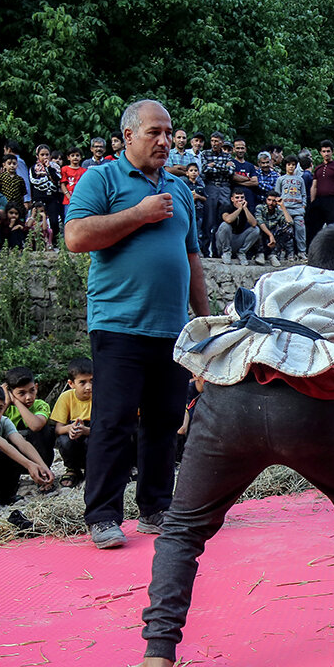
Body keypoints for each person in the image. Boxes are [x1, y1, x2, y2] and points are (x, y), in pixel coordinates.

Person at [125, 222, 334, 667]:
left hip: (226, 409)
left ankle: (155, 659)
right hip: (307, 413)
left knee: (183, 527)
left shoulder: (270, 284)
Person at [65, 100, 211, 546]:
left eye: (169, 132)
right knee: (114, 421)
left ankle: (156, 507)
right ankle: (104, 516)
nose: (165, 141)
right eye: (154, 132)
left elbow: (191, 256)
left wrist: (205, 321)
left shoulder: (180, 188)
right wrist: (139, 214)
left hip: (171, 327)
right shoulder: (102, 178)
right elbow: (75, 237)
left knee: (165, 421)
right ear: (128, 136)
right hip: (118, 323)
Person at [3, 366, 55, 475]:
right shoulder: (5, 408)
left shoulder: (40, 405)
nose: (28, 397)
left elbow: (36, 426)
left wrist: (17, 402)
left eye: (32, 390)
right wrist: (7, 402)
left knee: (45, 429)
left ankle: (43, 473)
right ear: (10, 393)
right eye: (21, 393)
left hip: (40, 459)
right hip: (14, 460)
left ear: (36, 387)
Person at [50, 358, 93, 489]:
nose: (89, 387)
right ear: (71, 383)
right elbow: (58, 429)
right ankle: (72, 469)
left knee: (92, 440)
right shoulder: (66, 397)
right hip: (74, 433)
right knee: (64, 440)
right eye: (82, 382)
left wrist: (86, 430)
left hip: (93, 432)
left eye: (92, 380)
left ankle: (93, 470)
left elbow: (107, 428)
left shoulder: (101, 397)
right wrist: (70, 428)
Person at [307, 140, 334, 240]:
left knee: (333, 228)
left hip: (332, 200)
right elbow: (314, 186)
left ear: (332, 152)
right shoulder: (318, 168)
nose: (326, 153)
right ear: (320, 153)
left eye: (328, 151)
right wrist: (313, 201)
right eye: (324, 151)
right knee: (314, 227)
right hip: (319, 200)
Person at [28, 144, 64, 246]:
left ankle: (55, 243)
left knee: (54, 221)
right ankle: (37, 244)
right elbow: (34, 180)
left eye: (47, 154)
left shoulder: (55, 167)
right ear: (37, 156)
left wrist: (48, 168)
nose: (45, 157)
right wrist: (48, 179)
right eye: (42, 155)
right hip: (39, 198)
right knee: (38, 220)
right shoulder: (33, 168)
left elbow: (57, 179)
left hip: (52, 198)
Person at [215, 186, 262, 263]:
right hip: (224, 242)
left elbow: (254, 223)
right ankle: (226, 252)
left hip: (238, 240)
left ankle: (241, 252)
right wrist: (239, 209)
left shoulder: (246, 208)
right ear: (232, 199)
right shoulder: (226, 207)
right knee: (225, 225)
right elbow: (228, 220)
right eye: (237, 198)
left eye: (242, 197)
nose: (240, 200)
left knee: (256, 230)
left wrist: (245, 209)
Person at [276, 155, 308, 257]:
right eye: (289, 164)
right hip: (285, 209)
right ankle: (288, 253)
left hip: (298, 209)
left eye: (293, 165)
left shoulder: (300, 179)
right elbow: (277, 194)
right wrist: (280, 208)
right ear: (285, 166)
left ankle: (301, 251)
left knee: (301, 230)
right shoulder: (281, 179)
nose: (291, 167)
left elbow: (304, 194)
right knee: (286, 231)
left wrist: (303, 206)